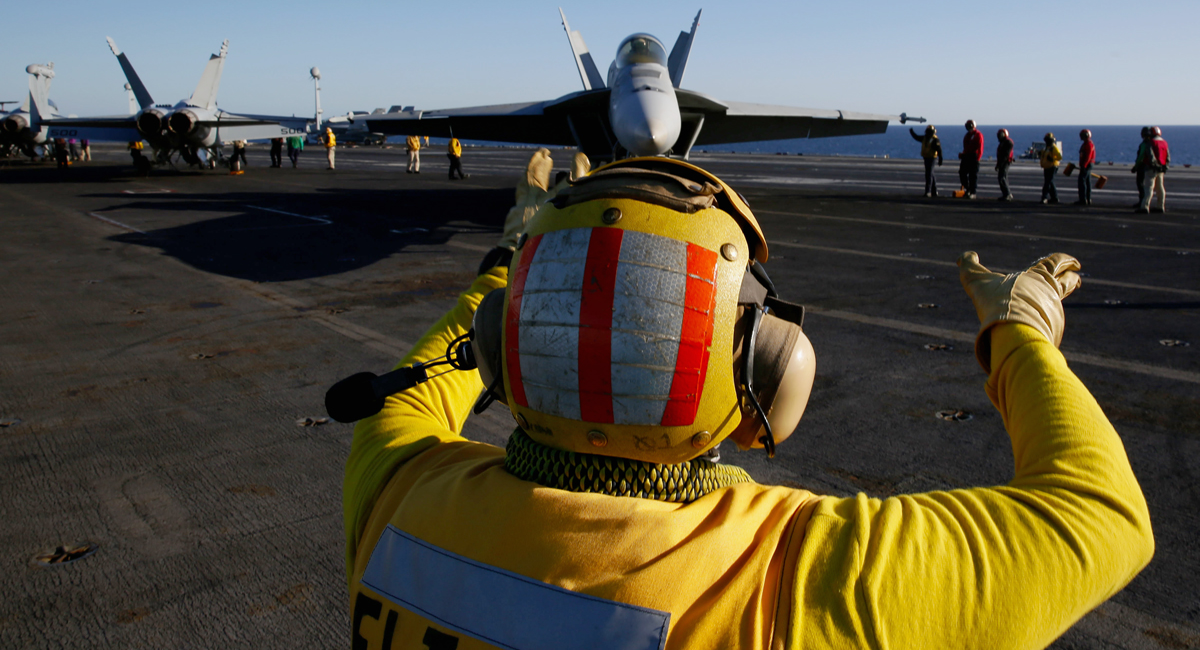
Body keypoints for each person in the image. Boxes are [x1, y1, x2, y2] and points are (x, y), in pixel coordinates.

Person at [341, 156, 1153, 649]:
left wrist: (506, 264)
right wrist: (1020, 330)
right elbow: (1101, 511)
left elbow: (422, 385)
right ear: (764, 371)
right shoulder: (797, 578)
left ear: (500, 341)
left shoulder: (395, 489)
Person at [1137, 126, 1170, 214]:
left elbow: (1151, 156)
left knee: (1148, 188)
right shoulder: (1164, 143)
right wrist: (1164, 166)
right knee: (1160, 188)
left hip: (1151, 169)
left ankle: (1144, 206)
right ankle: (1160, 206)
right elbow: (1168, 157)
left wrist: (1154, 165)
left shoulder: (1151, 142)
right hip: (1161, 168)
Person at [909, 125, 943, 197]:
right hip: (926, 158)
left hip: (932, 158)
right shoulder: (925, 138)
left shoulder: (935, 139)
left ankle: (928, 191)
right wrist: (912, 132)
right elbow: (917, 137)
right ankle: (934, 191)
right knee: (931, 174)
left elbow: (939, 150)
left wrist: (940, 159)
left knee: (929, 174)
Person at [958, 120, 983, 199]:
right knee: (962, 173)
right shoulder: (967, 135)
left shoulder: (978, 134)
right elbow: (966, 147)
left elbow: (980, 147)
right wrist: (963, 154)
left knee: (973, 175)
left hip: (974, 156)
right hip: (966, 156)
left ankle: (973, 192)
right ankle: (968, 188)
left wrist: (978, 158)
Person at [1039, 132, 1062, 204]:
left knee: (1047, 183)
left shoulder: (1053, 148)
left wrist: (1052, 159)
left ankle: (1044, 197)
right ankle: (1054, 198)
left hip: (1052, 167)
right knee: (1050, 183)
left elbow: (1059, 157)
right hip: (1047, 167)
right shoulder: (1047, 148)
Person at [1131, 127, 1151, 206]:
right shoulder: (1151, 143)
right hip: (1150, 167)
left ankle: (1142, 202)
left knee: (1140, 184)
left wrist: (1135, 167)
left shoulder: (1144, 144)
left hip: (1142, 167)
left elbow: (1141, 156)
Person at [1076, 130, 1096, 206]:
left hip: (1087, 164)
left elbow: (1088, 157)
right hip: (1087, 164)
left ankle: (1083, 199)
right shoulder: (1086, 144)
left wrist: (1084, 166)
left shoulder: (1088, 145)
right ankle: (1087, 198)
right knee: (1087, 181)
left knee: (1082, 181)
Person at [995, 128, 1015, 201]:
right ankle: (1006, 194)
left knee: (1002, 178)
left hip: (1005, 162)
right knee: (1002, 178)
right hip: (1002, 162)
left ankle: (1007, 194)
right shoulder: (1003, 143)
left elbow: (1006, 154)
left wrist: (1000, 163)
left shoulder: (1008, 142)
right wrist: (998, 164)